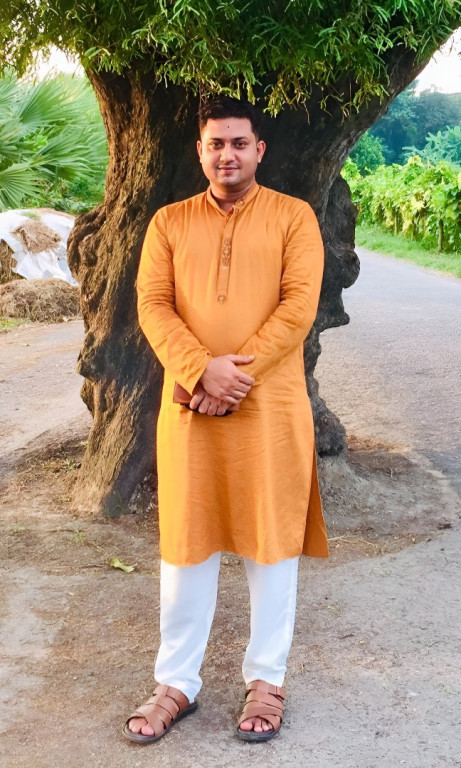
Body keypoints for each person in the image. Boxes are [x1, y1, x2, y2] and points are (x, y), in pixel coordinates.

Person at [123, 97, 328, 745]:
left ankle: (266, 679)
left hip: (270, 409)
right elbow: (153, 305)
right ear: (200, 150)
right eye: (216, 144)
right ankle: (176, 683)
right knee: (187, 544)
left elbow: (298, 307)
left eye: (239, 143)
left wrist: (234, 376)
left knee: (272, 546)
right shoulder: (169, 223)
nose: (227, 155)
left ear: (259, 150)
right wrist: (199, 370)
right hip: (191, 407)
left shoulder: (294, 217)